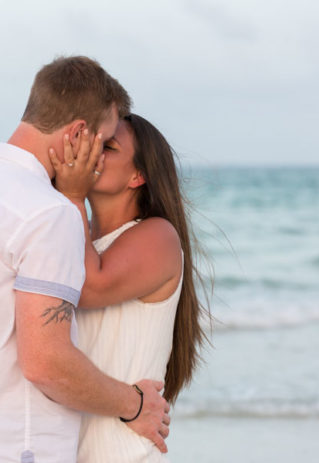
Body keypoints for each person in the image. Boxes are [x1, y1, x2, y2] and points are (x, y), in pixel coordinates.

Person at [0, 56, 170, 463]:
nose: (100, 155)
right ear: (79, 133)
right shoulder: (50, 211)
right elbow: (47, 365)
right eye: (105, 139)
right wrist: (134, 404)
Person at [48, 113, 208, 462]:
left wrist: (71, 196)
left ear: (138, 176)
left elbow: (89, 287)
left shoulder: (158, 235)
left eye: (107, 146)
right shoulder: (81, 238)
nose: (90, 150)